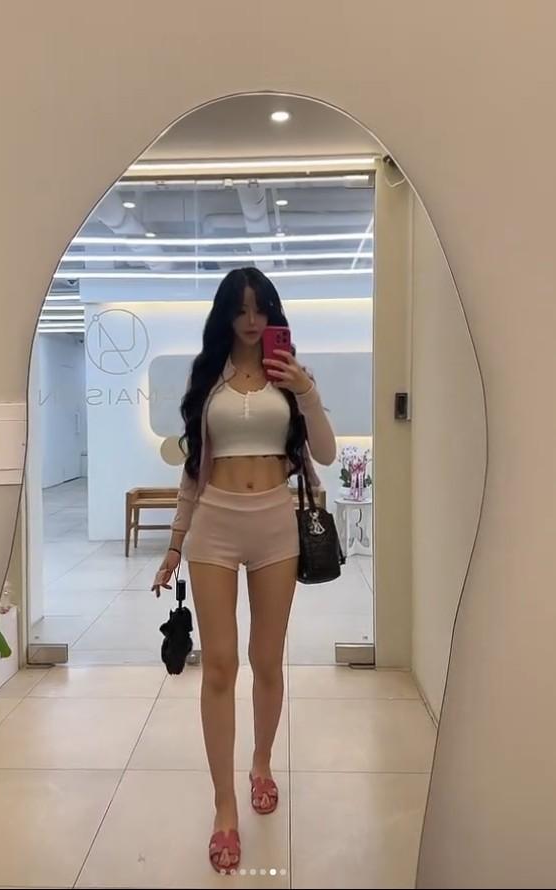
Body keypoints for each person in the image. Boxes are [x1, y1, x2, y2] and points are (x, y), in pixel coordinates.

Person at [151, 267, 336, 874]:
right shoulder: (207, 378)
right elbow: (193, 469)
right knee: (220, 666)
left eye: (261, 309)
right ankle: (224, 806)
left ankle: (261, 763)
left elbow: (326, 453)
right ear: (226, 315)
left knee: (267, 660)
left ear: (273, 313)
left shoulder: (292, 376)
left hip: (276, 525)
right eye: (241, 309)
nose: (252, 321)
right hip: (214, 525)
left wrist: (304, 389)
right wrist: (174, 544)